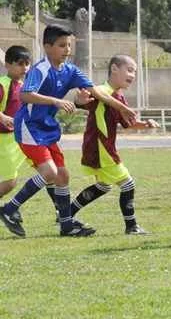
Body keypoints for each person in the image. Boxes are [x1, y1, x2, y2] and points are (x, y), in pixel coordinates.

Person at [0, 24, 136, 238]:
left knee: (63, 176)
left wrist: (122, 107)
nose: (67, 49)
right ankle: (9, 209)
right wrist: (55, 101)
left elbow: (96, 91)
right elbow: (26, 95)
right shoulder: (40, 69)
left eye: (69, 45)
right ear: (47, 47)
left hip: (46, 129)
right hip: (28, 126)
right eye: (62, 45)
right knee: (50, 173)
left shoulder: (71, 71)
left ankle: (66, 225)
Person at [70, 55, 159, 235]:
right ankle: (132, 227)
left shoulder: (119, 97)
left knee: (104, 185)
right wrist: (79, 100)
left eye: (135, 72)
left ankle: (66, 214)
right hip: (100, 147)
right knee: (128, 184)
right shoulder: (101, 91)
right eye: (130, 70)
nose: (133, 75)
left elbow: (129, 123)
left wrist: (146, 124)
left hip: (100, 148)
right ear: (114, 69)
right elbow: (82, 102)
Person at [0, 45, 60, 230]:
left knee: (49, 173)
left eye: (27, 64)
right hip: (5, 141)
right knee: (9, 183)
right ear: (7, 65)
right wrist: (3, 117)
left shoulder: (26, 87)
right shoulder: (3, 84)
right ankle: (7, 211)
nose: (25, 68)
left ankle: (61, 212)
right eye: (20, 64)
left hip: (24, 138)